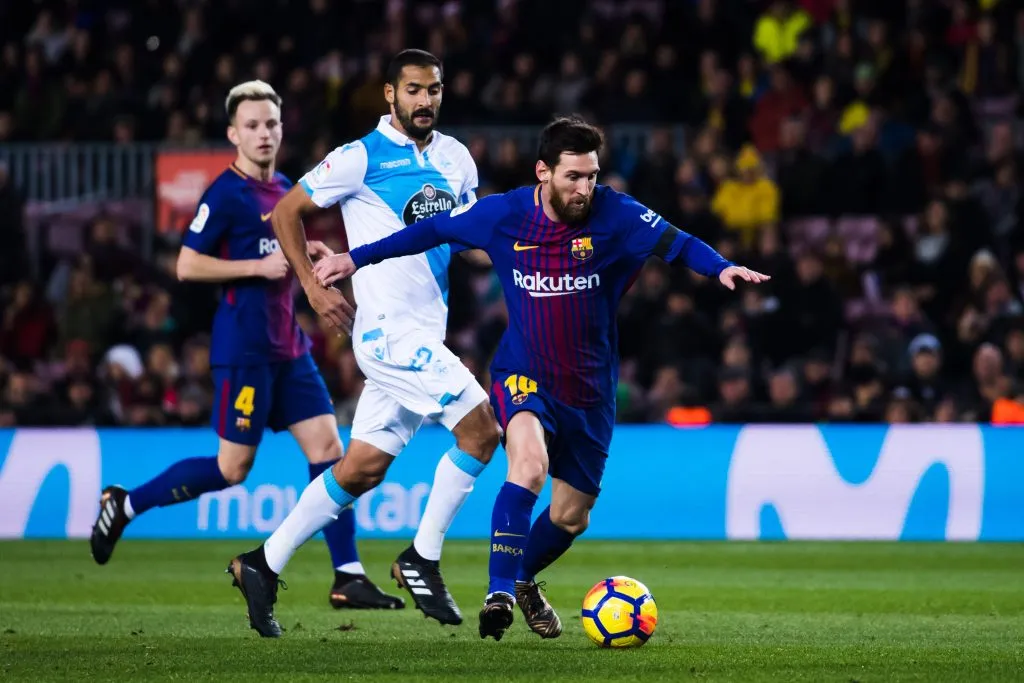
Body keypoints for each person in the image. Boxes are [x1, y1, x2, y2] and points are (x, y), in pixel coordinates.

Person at [312, 115, 770, 641]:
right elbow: (430, 231)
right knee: (528, 467)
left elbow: (676, 241)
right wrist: (355, 258)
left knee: (572, 516)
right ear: (543, 173)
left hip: (590, 388)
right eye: (574, 176)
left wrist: (721, 267)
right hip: (524, 372)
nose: (585, 188)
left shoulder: (616, 213)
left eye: (593, 175)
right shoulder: (503, 215)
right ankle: (499, 591)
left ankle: (524, 578)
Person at [88, 80, 404, 615]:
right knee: (233, 469)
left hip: (290, 349)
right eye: (252, 126)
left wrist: (310, 249)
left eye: (272, 124)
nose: (264, 134)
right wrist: (256, 266)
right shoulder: (225, 194)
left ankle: (347, 576)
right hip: (245, 351)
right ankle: (126, 503)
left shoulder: (283, 185)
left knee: (331, 454)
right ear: (233, 134)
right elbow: (187, 264)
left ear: (282, 129)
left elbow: (281, 245)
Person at [226, 50, 502, 637]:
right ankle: (422, 558)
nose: (424, 100)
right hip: (386, 334)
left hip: (425, 332)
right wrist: (312, 289)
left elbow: (470, 239)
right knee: (481, 430)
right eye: (413, 90)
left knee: (359, 470)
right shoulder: (359, 157)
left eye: (434, 90)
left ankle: (262, 563)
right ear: (389, 93)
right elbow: (285, 214)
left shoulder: (455, 157)